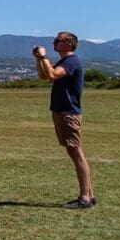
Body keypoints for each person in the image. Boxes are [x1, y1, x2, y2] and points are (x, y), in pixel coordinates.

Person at [33, 32, 96, 209]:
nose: (54, 43)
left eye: (57, 41)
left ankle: (85, 198)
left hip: (69, 113)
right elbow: (44, 76)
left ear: (68, 43)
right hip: (62, 112)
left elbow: (52, 75)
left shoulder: (71, 61)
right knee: (74, 153)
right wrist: (39, 59)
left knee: (76, 154)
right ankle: (89, 195)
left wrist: (44, 56)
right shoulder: (63, 61)